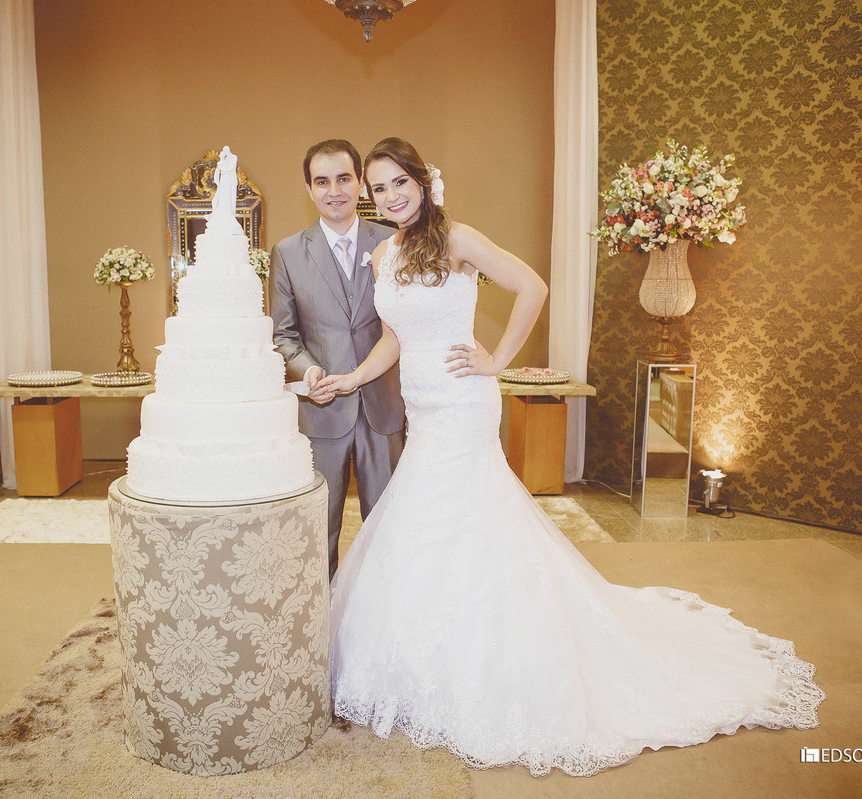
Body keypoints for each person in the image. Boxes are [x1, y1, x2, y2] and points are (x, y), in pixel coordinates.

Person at [319, 137, 826, 777]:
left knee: (469, 515)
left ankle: (493, 655)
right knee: (421, 519)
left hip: (464, 402)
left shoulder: (458, 238)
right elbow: (395, 336)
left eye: (400, 183)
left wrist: (496, 362)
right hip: (422, 409)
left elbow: (532, 286)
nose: (391, 196)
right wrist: (353, 379)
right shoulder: (384, 254)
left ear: (422, 181)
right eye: (380, 187)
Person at [268, 139, 406, 580]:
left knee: (388, 527)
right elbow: (283, 334)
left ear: (361, 183)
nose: (335, 191)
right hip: (321, 412)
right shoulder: (288, 253)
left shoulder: (394, 241)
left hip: (385, 408)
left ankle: (384, 619)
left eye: (344, 178)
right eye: (322, 181)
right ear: (309, 189)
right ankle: (318, 624)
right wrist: (309, 371)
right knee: (317, 530)